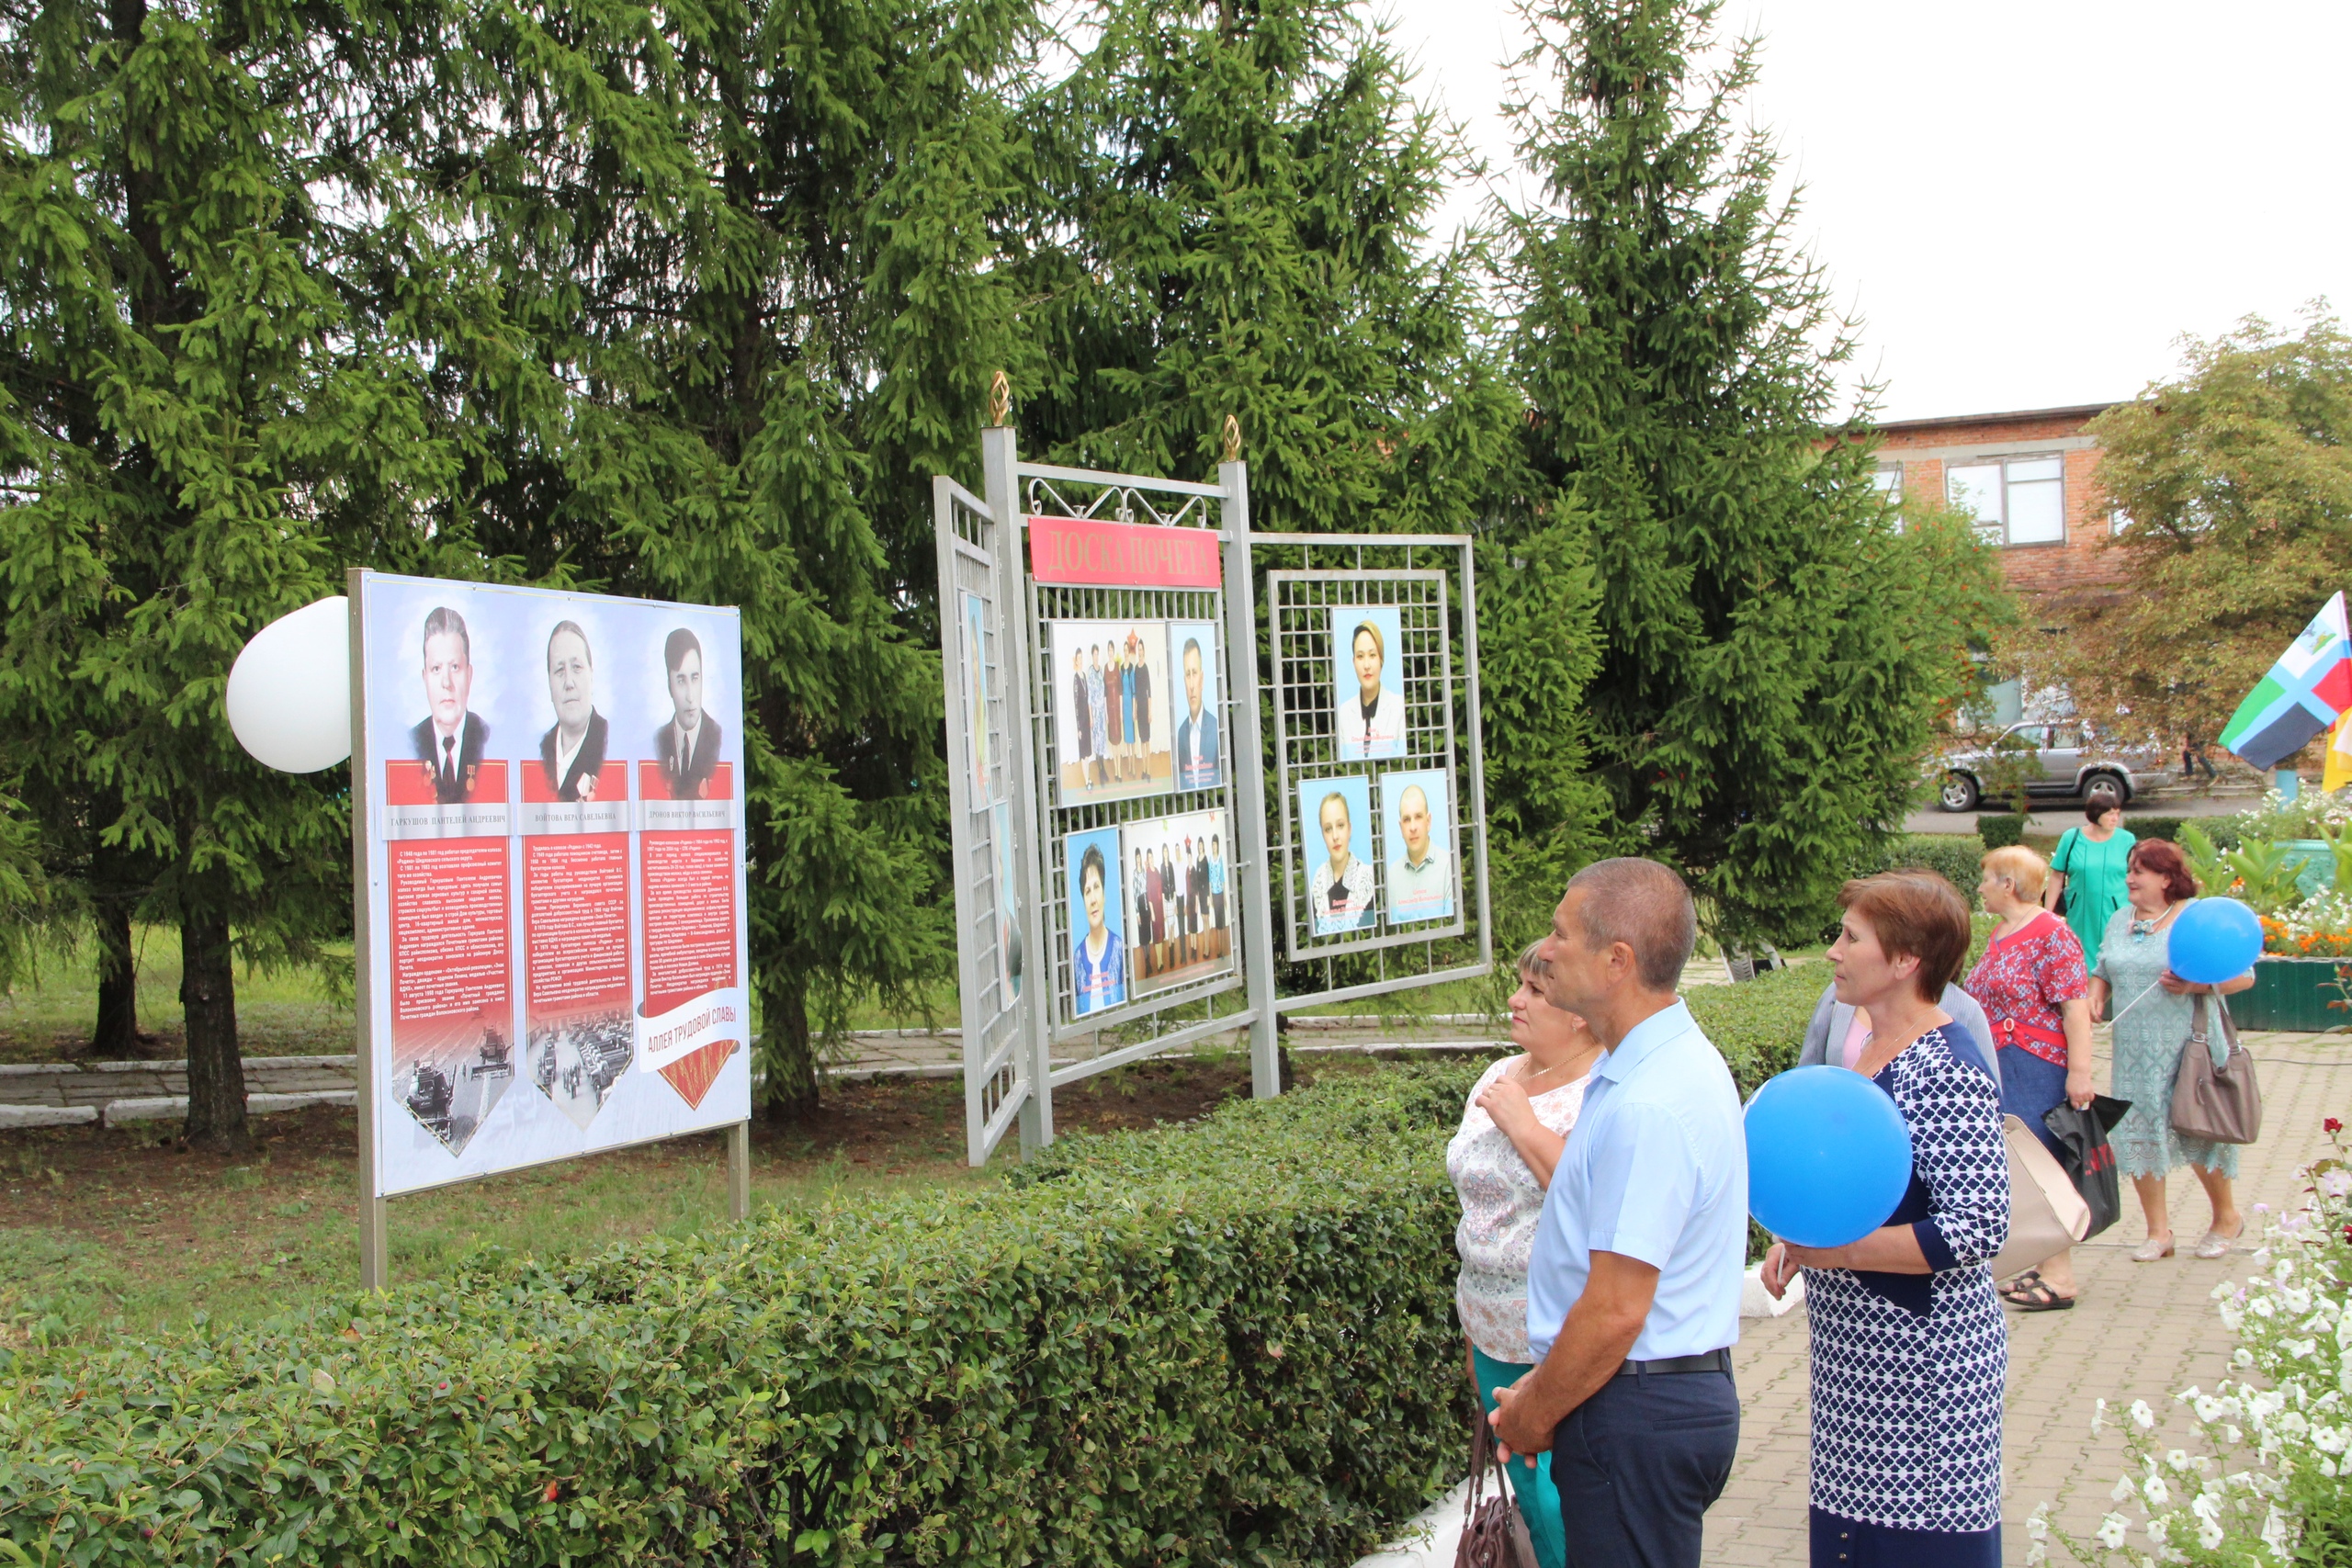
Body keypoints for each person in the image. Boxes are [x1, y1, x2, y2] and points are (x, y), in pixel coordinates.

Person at [1490, 859, 1744, 1568]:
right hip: (1642, 1401)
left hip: (1634, 1410)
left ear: (1616, 961)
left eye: (1560, 933)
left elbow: (1615, 1310)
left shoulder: (1649, 1101)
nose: (1543, 950)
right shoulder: (1652, 1066)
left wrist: (1536, 1413)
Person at [1760, 871, 2008, 1567]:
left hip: (1921, 1376)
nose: (1834, 951)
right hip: (1856, 1370)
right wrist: (1799, 1237)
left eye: (1851, 937)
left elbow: (1978, 1224)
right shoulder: (1868, 1046)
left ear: (1905, 961)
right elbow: (1856, 1185)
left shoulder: (1945, 1066)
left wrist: (1837, 1254)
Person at [1448, 941, 1605, 1568]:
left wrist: (1525, 1124)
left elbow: (1591, 1200)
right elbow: (1476, 1211)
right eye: (1520, 985)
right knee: (1537, 1514)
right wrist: (1471, 1333)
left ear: (1581, 1011)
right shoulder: (1496, 1075)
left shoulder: (1604, 1086)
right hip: (1488, 1335)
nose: (1516, 1000)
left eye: (1536, 991)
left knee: (1567, 1505)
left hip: (1557, 1342)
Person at [2089, 840, 2256, 1260]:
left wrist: (2197, 985)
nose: (2130, 878)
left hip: (2190, 1045)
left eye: (2140, 871)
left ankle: (2226, 1218)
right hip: (2134, 1050)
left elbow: (2244, 976)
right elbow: (2102, 966)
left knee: (2198, 1128)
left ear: (2166, 878)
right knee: (2140, 1131)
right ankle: (2158, 1232)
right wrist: (2096, 996)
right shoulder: (2119, 919)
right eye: (2130, 870)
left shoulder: (2192, 919)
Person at [1966, 846, 2095, 1311]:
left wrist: (2080, 1073)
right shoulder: (2002, 932)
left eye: (1986, 879)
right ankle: (2041, 1262)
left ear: (2008, 884)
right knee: (2020, 1165)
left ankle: (2061, 1277)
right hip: (2006, 1063)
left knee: (2044, 1165)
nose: (1979, 888)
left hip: (2039, 1063)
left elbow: (2074, 1007)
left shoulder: (2052, 933)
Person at [2046, 794, 2135, 972]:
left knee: (2114, 960)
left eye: (2117, 813)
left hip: (2116, 912)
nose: (2115, 818)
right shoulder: (2072, 837)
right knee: (2079, 960)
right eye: (2110, 814)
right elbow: (2057, 876)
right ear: (2096, 814)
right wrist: (2047, 915)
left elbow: (2135, 877)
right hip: (2080, 913)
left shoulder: (2127, 840)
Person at [410, 605, 489, 804]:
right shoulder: (411, 744)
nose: (446, 682)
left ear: (469, 675)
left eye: (455, 667)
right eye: (436, 669)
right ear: (425, 677)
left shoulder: (488, 739)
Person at [537, 620, 608, 802]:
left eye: (576, 667)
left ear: (591, 675)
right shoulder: (541, 750)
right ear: (549, 683)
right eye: (560, 670)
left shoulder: (609, 743)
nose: (569, 682)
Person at [655, 628, 723, 798]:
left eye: (695, 678)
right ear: (669, 686)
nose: (690, 696)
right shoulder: (660, 740)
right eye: (681, 681)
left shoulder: (718, 736)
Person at [1336, 618, 1406, 761]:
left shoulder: (1399, 707)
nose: (1366, 665)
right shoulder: (1344, 713)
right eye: (1360, 656)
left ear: (1381, 659)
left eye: (1372, 655)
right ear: (1353, 661)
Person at [1307, 790, 1374, 932]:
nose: (1335, 836)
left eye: (1340, 825)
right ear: (1322, 834)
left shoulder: (1367, 879)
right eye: (1328, 829)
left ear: (1349, 829)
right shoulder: (1318, 884)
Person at [1070, 844, 1124, 1016]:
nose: (1093, 899)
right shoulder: (1078, 957)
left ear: (1104, 893)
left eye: (1096, 887)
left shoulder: (1118, 947)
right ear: (1083, 899)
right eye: (1087, 891)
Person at [1387, 782, 1450, 920]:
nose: (1413, 827)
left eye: (1418, 817)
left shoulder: (1448, 866)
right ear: (1400, 827)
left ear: (1428, 822)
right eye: (1407, 819)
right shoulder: (1391, 875)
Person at [1175, 637, 1220, 789]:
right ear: (1184, 680)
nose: (1192, 685)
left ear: (1202, 679)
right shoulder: (1180, 734)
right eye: (1188, 675)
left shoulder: (1216, 728)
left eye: (1194, 673)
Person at [1069, 648, 1092, 789]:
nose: (1081, 661)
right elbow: (1076, 704)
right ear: (1076, 661)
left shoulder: (1084, 675)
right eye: (1079, 658)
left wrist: (1090, 717)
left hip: (1087, 718)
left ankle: (1088, 778)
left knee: (1088, 753)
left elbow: (1087, 699)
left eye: (1082, 658)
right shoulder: (1076, 679)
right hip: (1080, 722)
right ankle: (1086, 781)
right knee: (1083, 753)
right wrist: (1078, 728)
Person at [1086, 647, 1109, 789]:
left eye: (1097, 654)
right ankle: (1101, 771)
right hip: (1094, 711)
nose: (1096, 656)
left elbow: (1104, 693)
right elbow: (1089, 697)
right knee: (1097, 741)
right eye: (1094, 654)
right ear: (1091, 655)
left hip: (1101, 711)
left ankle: (1103, 770)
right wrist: (1091, 716)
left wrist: (1105, 712)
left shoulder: (1101, 671)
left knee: (1102, 742)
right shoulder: (1090, 672)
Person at [1210, 834, 1227, 950]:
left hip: (1221, 893)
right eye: (1212, 844)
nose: (1214, 846)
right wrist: (1210, 896)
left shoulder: (1220, 858)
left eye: (1215, 844)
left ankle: (1223, 947)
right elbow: (1210, 879)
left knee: (1222, 920)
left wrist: (1225, 896)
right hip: (1214, 894)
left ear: (1218, 845)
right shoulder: (1210, 860)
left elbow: (1222, 878)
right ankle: (1219, 947)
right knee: (1217, 920)